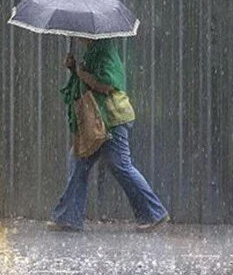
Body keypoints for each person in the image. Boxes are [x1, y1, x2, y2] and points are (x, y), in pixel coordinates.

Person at [49, 37, 169, 231]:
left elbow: (108, 85)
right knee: (78, 162)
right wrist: (74, 69)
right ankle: (68, 218)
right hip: (99, 121)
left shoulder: (105, 51)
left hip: (112, 119)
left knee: (120, 165)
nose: (79, 36)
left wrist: (81, 73)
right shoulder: (93, 51)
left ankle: (153, 213)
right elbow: (89, 80)